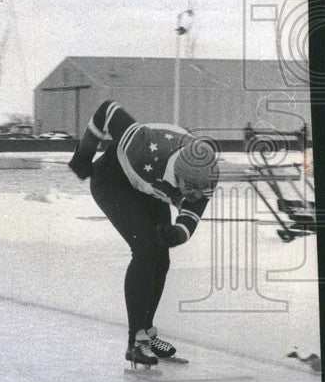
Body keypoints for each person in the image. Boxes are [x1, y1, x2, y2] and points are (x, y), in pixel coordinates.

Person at [68, 100, 219, 367]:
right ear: (178, 177)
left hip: (150, 189)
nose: (194, 197)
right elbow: (107, 109)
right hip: (113, 182)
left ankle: (147, 333)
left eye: (200, 191)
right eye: (189, 190)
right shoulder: (142, 145)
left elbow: (191, 217)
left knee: (162, 254)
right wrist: (84, 154)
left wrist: (176, 234)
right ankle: (135, 342)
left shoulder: (206, 175)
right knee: (146, 248)